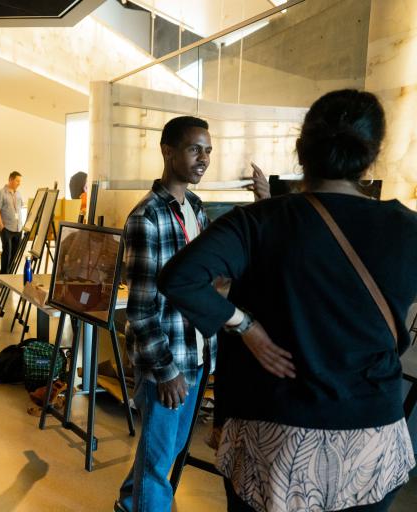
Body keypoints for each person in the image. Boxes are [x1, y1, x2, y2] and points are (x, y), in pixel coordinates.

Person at [158, 90, 417, 511]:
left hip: (276, 438)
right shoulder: (407, 228)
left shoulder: (259, 220)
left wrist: (245, 325)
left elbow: (180, 277)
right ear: (372, 155)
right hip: (372, 441)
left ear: (301, 149)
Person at [115, 116, 269, 512]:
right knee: (158, 461)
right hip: (168, 361)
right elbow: (141, 309)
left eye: (208, 151)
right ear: (168, 152)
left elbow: (214, 275)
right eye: (194, 149)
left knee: (166, 450)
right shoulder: (146, 218)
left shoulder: (196, 209)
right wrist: (165, 370)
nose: (204, 159)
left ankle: (129, 502)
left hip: (198, 352)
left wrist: (263, 204)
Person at [0, 171, 23, 274]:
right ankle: (3, 276)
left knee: (14, 254)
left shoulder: (18, 194)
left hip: (18, 229)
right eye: (17, 181)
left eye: (20, 181)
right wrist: (2, 227)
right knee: (7, 253)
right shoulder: (0, 193)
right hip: (6, 229)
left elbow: (19, 209)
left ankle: (10, 275)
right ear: (10, 179)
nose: (19, 183)